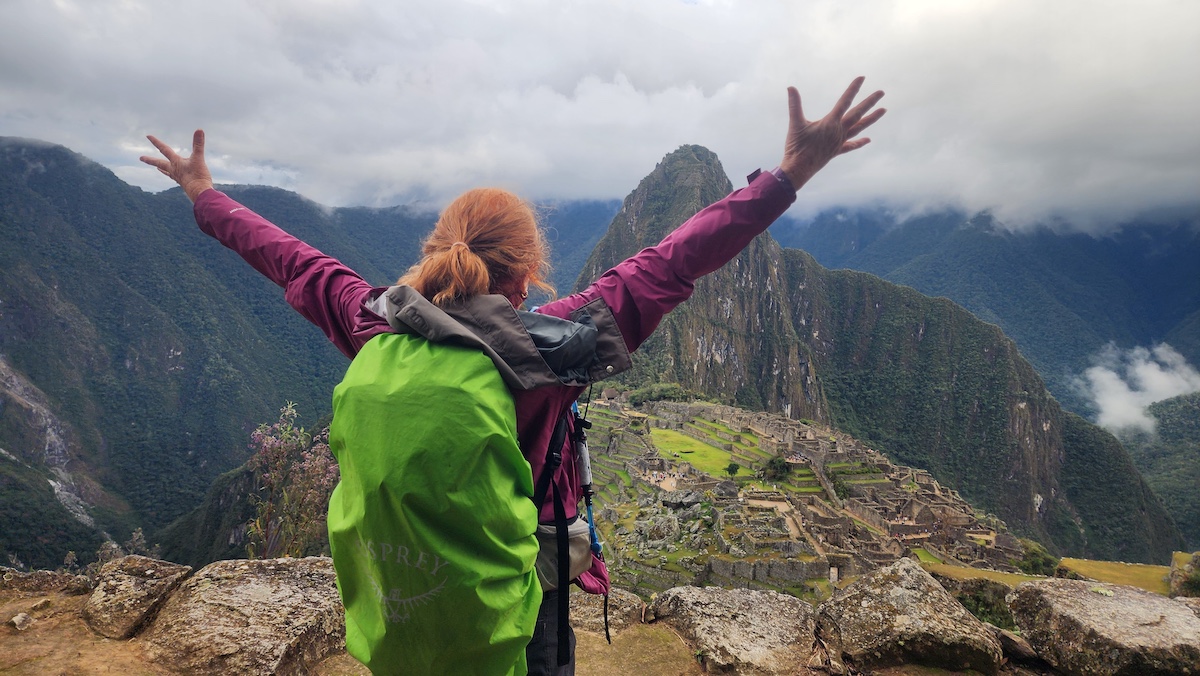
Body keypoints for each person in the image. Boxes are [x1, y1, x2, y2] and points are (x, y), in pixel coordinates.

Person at [142, 77, 884, 674]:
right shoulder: (554, 349)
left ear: (434, 253)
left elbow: (292, 261)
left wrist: (206, 197)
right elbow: (673, 261)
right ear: (527, 275)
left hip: (403, 594)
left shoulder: (375, 324)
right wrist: (789, 175)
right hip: (522, 596)